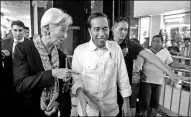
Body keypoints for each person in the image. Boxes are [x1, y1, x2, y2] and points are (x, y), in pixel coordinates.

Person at [111, 17, 188, 116]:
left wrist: (170, 73)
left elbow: (152, 58)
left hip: (125, 87)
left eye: (126, 29)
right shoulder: (106, 43)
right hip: (107, 88)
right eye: (121, 29)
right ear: (113, 28)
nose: (123, 32)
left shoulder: (132, 45)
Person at [13, 8, 78, 117]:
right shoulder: (24, 49)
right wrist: (52, 73)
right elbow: (20, 84)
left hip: (52, 112)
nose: (66, 36)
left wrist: (57, 103)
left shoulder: (61, 56)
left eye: (66, 31)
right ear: (47, 28)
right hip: (28, 111)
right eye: (62, 30)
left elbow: (62, 90)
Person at [72, 13, 131, 116]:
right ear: (90, 31)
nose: (102, 34)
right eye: (96, 29)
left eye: (105, 28)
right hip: (88, 110)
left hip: (110, 110)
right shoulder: (80, 50)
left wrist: (126, 102)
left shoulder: (115, 47)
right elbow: (76, 78)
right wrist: (80, 92)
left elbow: (122, 75)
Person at [139, 35, 190, 116]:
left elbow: (171, 63)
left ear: (162, 43)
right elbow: (138, 66)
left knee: (154, 103)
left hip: (158, 81)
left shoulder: (165, 52)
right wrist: (141, 73)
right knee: (145, 103)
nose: (155, 43)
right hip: (146, 81)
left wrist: (183, 66)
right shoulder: (145, 51)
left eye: (158, 41)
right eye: (154, 41)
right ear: (151, 42)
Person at [1, 20, 29, 117]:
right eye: (15, 30)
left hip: (24, 80)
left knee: (24, 106)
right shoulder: (4, 43)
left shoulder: (31, 44)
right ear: (11, 31)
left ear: (24, 31)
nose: (18, 33)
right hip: (8, 79)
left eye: (20, 30)